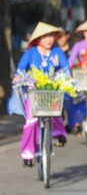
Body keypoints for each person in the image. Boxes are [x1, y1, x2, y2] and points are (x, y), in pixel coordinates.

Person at [14, 22, 69, 167]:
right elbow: (20, 70)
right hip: (34, 93)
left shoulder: (57, 52)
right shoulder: (31, 53)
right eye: (45, 36)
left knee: (56, 112)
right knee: (31, 123)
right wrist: (19, 78)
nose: (49, 39)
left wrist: (66, 78)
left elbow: (66, 69)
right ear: (38, 39)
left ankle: (59, 134)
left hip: (52, 91)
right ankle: (27, 154)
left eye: (51, 36)